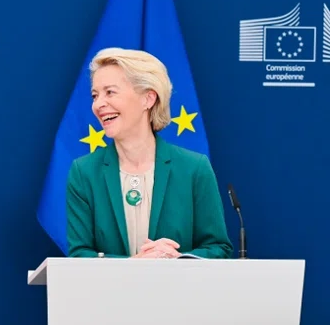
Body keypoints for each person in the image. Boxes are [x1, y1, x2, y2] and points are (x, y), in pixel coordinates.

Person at [65, 47, 233, 259]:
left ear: (148, 99)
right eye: (95, 95)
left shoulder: (194, 168)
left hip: (178, 291)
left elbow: (219, 248)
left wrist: (176, 259)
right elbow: (79, 254)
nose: (98, 105)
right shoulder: (84, 172)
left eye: (110, 92)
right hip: (111, 292)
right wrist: (135, 264)